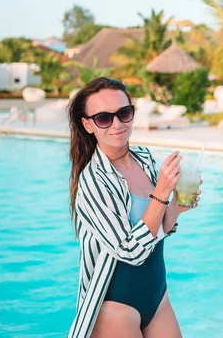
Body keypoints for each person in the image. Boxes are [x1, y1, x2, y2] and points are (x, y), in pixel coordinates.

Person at [67, 77, 201, 338]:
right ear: (87, 124)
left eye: (124, 113)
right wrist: (162, 191)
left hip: (157, 295)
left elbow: (156, 227)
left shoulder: (145, 157)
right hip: (115, 306)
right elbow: (129, 251)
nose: (117, 124)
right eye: (104, 118)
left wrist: (175, 208)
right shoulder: (93, 181)